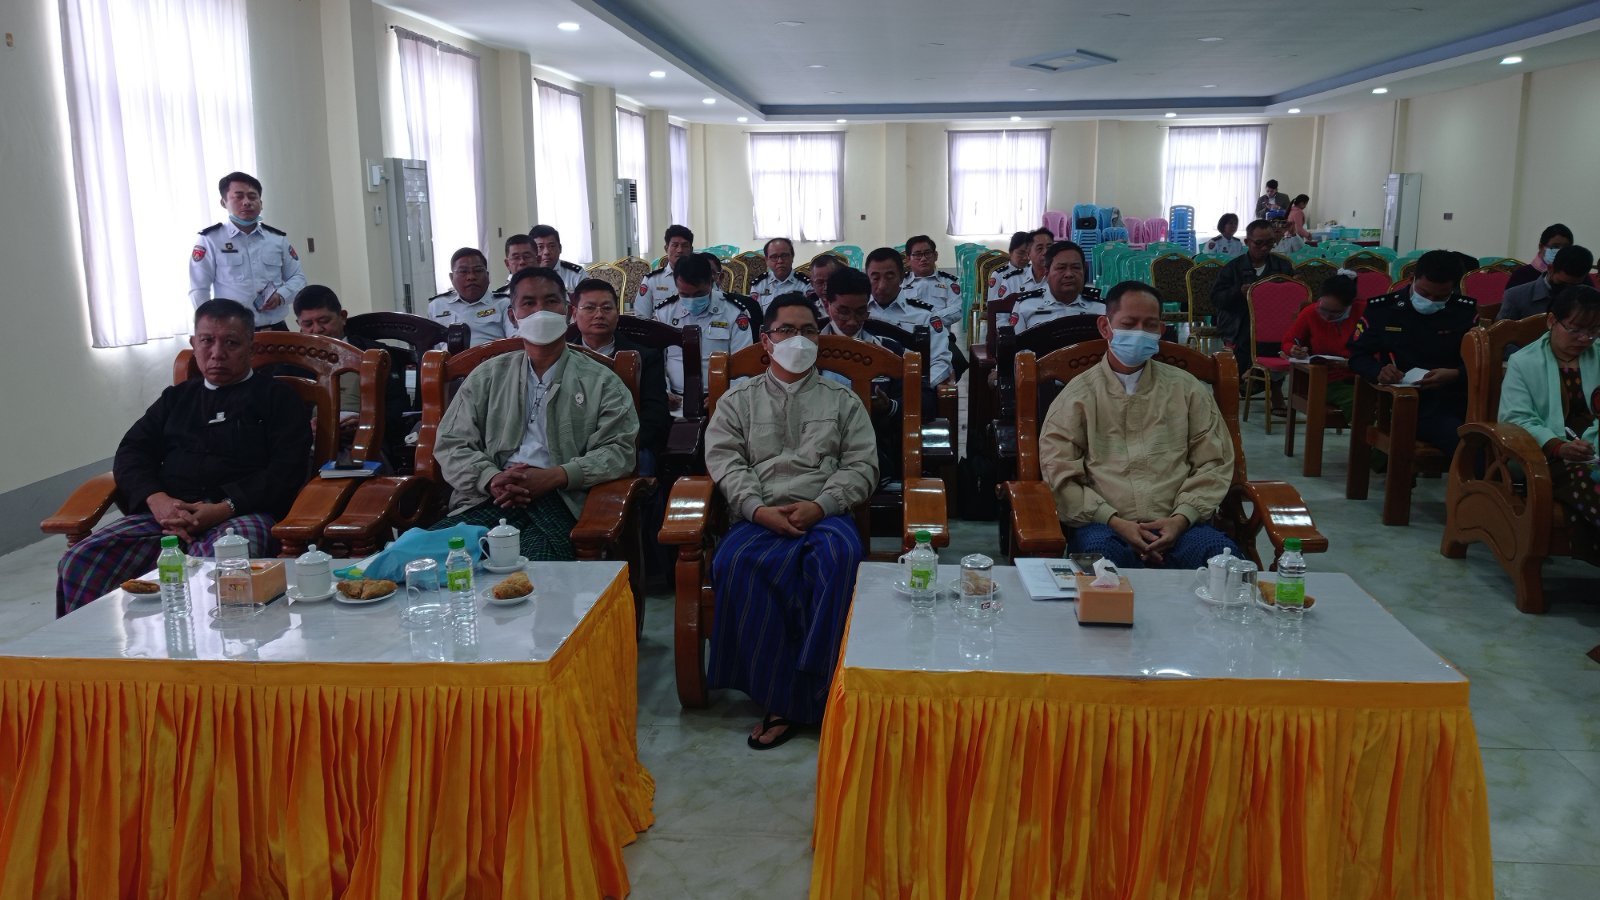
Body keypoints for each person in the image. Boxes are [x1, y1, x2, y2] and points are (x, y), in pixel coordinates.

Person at [55, 299, 312, 613]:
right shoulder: (175, 399)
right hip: (165, 517)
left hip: (240, 515)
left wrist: (223, 508)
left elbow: (287, 469)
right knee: (79, 561)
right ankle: (90, 647)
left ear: (250, 347)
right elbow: (132, 452)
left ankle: (215, 643)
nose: (217, 353)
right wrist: (157, 500)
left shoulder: (277, 398)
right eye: (207, 341)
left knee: (216, 568)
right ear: (194, 344)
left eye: (231, 343)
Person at [703, 294, 878, 749]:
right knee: (735, 562)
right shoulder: (737, 401)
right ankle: (783, 696)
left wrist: (822, 505)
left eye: (808, 331)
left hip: (825, 512)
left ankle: (824, 688)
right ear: (766, 341)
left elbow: (862, 466)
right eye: (786, 330)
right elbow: (725, 463)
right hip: (758, 514)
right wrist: (757, 509)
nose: (798, 339)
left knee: (839, 557)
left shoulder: (843, 400)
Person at [430, 267, 639, 560]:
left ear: (568, 312)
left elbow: (619, 450)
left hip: (561, 500)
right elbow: (452, 443)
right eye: (528, 303)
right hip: (489, 497)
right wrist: (491, 478)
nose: (541, 311)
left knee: (536, 569)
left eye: (551, 301)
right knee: (424, 561)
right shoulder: (487, 376)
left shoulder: (601, 381)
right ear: (513, 316)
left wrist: (557, 476)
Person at [1037, 281, 1239, 568]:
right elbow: (1060, 474)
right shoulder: (1077, 397)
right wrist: (1114, 521)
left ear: (1161, 330)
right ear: (1105, 327)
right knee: (1098, 565)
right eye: (1129, 324)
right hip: (1105, 526)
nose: (1140, 333)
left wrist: (1181, 518)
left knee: (1223, 563)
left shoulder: (1186, 389)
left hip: (1182, 526)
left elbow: (1214, 462)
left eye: (1150, 325)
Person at [1498, 284, 1600, 559]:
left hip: (1593, 450)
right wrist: (1558, 446)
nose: (1585, 339)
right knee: (1591, 478)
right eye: (1576, 330)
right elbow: (1516, 418)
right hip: (1547, 455)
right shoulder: (1524, 362)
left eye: (1594, 331)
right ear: (1552, 320)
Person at [1348, 250, 1476, 459]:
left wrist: (1456, 374)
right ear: (1411, 279)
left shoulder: (1464, 312)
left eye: (1441, 297)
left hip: (1458, 395)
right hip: (1412, 402)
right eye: (1424, 293)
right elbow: (1357, 355)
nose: (1431, 301)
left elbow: (1481, 361)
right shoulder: (1383, 309)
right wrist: (1379, 371)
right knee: (1468, 443)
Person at [569, 277, 669, 471]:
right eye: (589, 308)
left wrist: (621, 443)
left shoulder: (646, 357)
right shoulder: (563, 356)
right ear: (574, 314)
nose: (599, 315)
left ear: (617, 314)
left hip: (627, 443)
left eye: (607, 308)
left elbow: (656, 414)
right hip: (572, 444)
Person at [293, 285, 409, 450]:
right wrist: (307, 428)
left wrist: (366, 424)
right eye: (308, 324)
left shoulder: (374, 354)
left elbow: (398, 407)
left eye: (324, 321)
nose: (317, 329)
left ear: (342, 316)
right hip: (308, 445)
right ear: (299, 325)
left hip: (367, 441)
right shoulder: (291, 361)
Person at [189, 172, 306, 331]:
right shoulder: (210, 240)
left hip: (277, 328)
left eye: (252, 197)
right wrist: (209, 326)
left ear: (261, 203)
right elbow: (199, 289)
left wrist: (281, 295)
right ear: (224, 202)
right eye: (238, 197)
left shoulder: (277, 239)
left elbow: (298, 278)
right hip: (232, 331)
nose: (246, 202)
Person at [649, 251, 755, 408]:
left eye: (699, 294)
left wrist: (726, 394)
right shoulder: (664, 313)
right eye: (684, 294)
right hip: (674, 399)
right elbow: (656, 362)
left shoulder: (734, 313)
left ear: (711, 282)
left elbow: (744, 365)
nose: (692, 300)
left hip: (724, 398)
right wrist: (663, 391)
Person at [1211, 218, 1293, 372]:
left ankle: (1268, 377)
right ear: (1247, 242)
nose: (1265, 248)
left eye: (1270, 243)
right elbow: (1216, 299)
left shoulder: (1283, 266)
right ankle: (1246, 376)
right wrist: (1238, 292)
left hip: (1274, 323)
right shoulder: (1233, 268)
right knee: (1248, 331)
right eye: (1259, 243)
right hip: (1240, 323)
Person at [865, 246, 952, 387]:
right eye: (875, 278)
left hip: (910, 389)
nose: (881, 286)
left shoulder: (924, 315)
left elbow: (940, 361)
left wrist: (917, 388)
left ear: (901, 277)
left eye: (889, 277)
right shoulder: (856, 313)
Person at [1282, 272, 1364, 421]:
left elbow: (1380, 348)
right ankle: (1366, 435)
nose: (1326, 316)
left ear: (1349, 306)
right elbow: (1288, 341)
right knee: (1358, 402)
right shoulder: (1310, 313)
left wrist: (1352, 363)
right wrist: (1293, 349)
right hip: (1328, 379)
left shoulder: (1364, 312)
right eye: (1323, 309)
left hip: (1364, 376)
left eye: (1334, 313)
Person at [1006, 240, 1105, 332]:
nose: (1069, 274)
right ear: (1047, 272)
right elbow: (1014, 343)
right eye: (1061, 268)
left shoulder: (1101, 307)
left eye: (1076, 267)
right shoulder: (1026, 306)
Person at [428, 247, 511, 347]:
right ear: (451, 277)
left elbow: (515, 342)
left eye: (478, 271)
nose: (471, 277)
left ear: (487, 276)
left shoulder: (504, 304)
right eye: (463, 272)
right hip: (449, 357)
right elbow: (431, 350)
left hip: (493, 356)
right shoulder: (437, 305)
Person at [1500, 245, 1594, 321]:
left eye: (1574, 286)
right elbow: (1501, 336)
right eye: (1562, 283)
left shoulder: (1590, 299)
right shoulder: (1516, 296)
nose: (1567, 290)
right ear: (1550, 269)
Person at [900, 235, 963, 329]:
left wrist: (929, 319)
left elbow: (957, 310)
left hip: (939, 333)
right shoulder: (900, 282)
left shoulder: (948, 282)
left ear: (935, 256)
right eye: (917, 255)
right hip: (906, 333)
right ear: (908, 259)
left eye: (927, 253)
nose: (923, 259)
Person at [637, 224, 695, 316]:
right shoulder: (652, 280)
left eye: (685, 246)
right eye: (675, 245)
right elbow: (642, 316)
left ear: (691, 250)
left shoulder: (702, 278)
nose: (680, 250)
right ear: (666, 248)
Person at [749, 238, 810, 313]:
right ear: (766, 260)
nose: (780, 261)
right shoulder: (759, 284)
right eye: (774, 257)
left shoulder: (806, 284)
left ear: (792, 257)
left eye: (784, 255)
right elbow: (754, 314)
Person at [1507, 223, 1575, 289]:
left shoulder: (1574, 276)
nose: (1561, 251)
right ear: (1541, 247)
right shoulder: (1522, 275)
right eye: (1555, 246)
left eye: (1566, 247)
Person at [994, 227, 1054, 301]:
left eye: (1049, 247)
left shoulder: (1061, 279)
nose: (1045, 252)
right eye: (1040, 248)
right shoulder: (1012, 281)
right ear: (1029, 253)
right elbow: (999, 307)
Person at [529, 224, 585, 295]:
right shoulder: (526, 275)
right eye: (540, 247)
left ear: (560, 248)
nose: (546, 252)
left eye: (551, 246)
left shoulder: (576, 275)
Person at [987, 231, 1033, 304]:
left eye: (1029, 253)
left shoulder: (1035, 272)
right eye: (1021, 253)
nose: (1026, 258)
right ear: (1010, 252)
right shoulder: (999, 275)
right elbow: (992, 305)